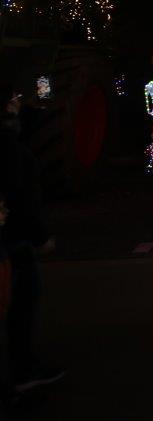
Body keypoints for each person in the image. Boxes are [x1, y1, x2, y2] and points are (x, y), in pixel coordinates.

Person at [0, 81, 63, 399]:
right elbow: (20, 196)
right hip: (11, 238)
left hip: (10, 234)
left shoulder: (16, 137)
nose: (17, 104)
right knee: (23, 296)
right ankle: (23, 369)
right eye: (13, 100)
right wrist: (39, 235)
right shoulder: (10, 148)